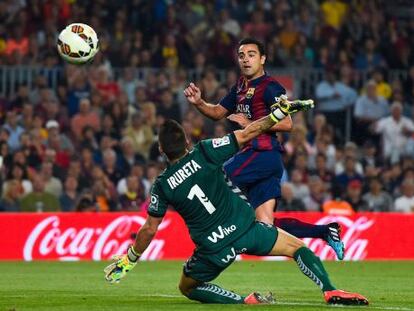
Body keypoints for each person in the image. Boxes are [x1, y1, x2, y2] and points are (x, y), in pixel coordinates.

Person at [104, 102, 368, 306]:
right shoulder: (205, 151)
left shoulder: (162, 185)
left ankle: (242, 301)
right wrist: (275, 116)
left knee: (188, 287)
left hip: (214, 248)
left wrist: (129, 260)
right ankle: (330, 289)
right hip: (247, 229)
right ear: (186, 141)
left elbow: (149, 229)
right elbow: (248, 133)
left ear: (161, 150)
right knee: (298, 248)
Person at [183, 38, 344, 259]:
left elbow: (287, 123)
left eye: (251, 54)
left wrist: (249, 123)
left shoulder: (271, 87)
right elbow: (219, 112)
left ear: (262, 59)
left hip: (261, 154)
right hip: (262, 160)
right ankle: (326, 231)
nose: (246, 59)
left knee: (216, 182)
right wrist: (200, 103)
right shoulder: (240, 86)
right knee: (266, 226)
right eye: (241, 55)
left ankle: (208, 248)